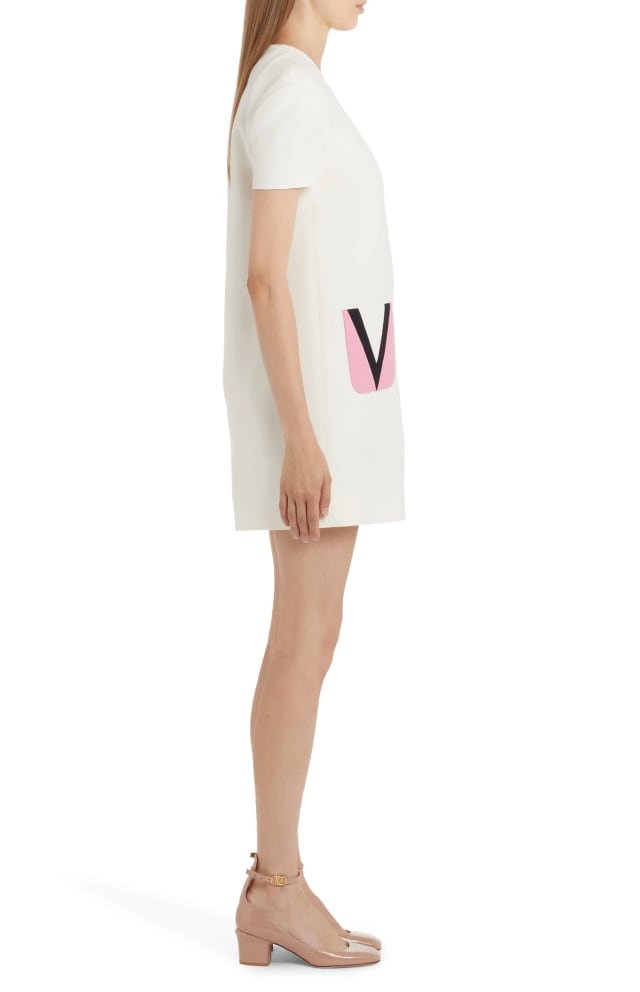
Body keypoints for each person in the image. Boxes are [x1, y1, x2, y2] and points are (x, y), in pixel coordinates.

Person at [223, 0, 405, 968]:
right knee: (301, 638)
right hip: (319, 417)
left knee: (314, 635)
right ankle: (276, 890)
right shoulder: (288, 89)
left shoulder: (295, 88)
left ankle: (278, 886)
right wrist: (299, 434)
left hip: (343, 404)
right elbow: (264, 276)